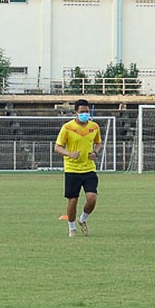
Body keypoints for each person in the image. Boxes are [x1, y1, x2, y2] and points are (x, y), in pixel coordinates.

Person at [54, 99, 102, 238]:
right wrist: (69, 154)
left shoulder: (94, 127)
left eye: (87, 112)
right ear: (76, 113)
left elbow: (99, 143)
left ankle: (82, 219)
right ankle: (72, 228)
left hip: (89, 168)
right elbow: (57, 147)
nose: (85, 114)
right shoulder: (67, 128)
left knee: (92, 198)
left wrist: (95, 152)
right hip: (72, 169)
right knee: (72, 200)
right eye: (82, 112)